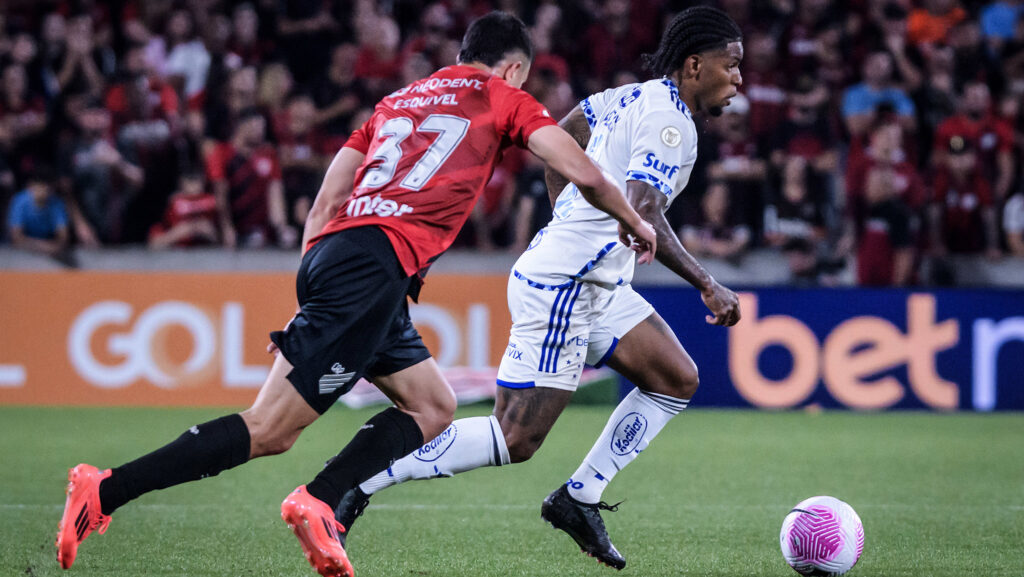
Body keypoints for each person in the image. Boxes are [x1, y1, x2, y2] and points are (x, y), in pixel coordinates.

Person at [55, 12, 656, 577]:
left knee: (432, 406)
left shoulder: (394, 102)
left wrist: (311, 297)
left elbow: (323, 204)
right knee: (270, 430)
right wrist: (635, 220)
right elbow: (584, 171)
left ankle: (321, 499)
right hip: (374, 267)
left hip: (338, 258)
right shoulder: (504, 96)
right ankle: (106, 489)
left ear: (459, 56)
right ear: (515, 69)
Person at [334, 6, 743, 570]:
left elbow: (571, 126)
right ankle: (361, 479)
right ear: (695, 65)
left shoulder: (633, 95)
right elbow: (643, 212)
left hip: (592, 280)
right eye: (732, 65)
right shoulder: (671, 125)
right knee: (515, 438)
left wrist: (564, 217)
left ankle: (579, 498)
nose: (739, 80)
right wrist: (708, 283)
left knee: (676, 379)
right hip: (566, 284)